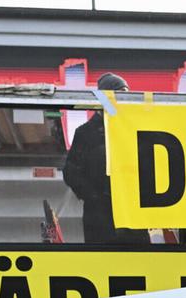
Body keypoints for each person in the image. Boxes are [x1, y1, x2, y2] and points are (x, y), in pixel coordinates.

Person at [61, 74, 150, 246]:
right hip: (100, 219)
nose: (123, 101)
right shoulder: (86, 133)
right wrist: (95, 196)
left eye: (126, 95)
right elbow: (70, 172)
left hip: (131, 216)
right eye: (119, 95)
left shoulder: (135, 130)